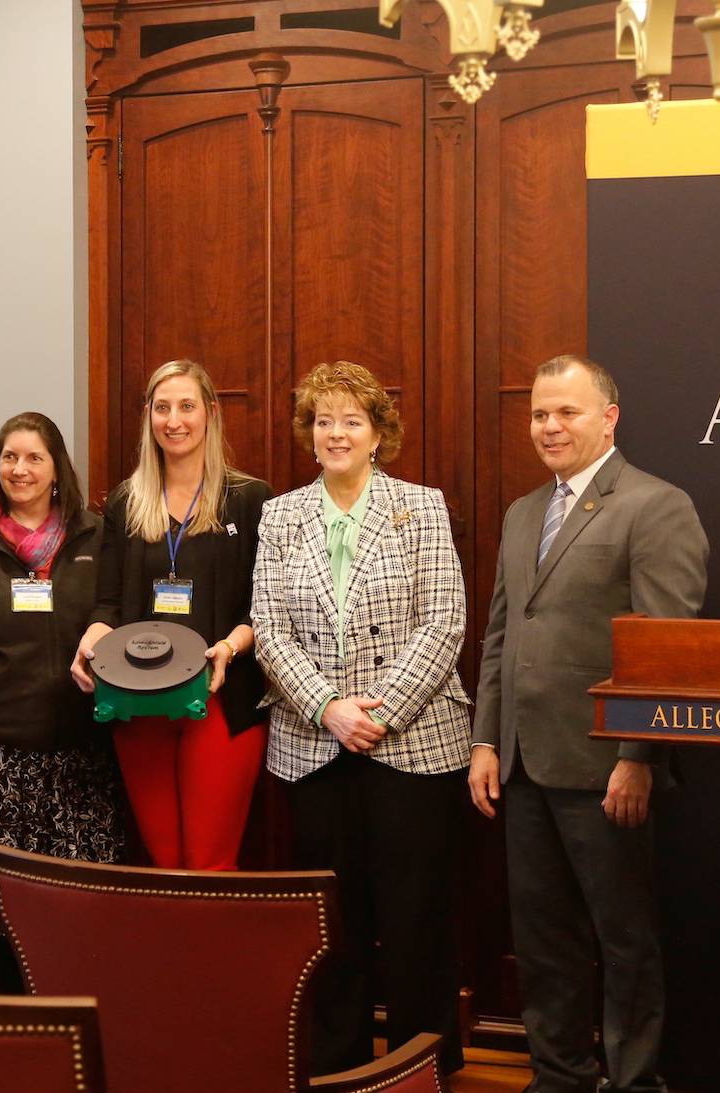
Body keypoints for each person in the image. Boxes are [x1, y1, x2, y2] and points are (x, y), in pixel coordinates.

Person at [470, 354, 709, 1093]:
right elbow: (501, 635)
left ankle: (635, 1081)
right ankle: (559, 1077)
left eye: (566, 412)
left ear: (608, 416)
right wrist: (485, 738)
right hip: (522, 763)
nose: (549, 426)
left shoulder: (655, 504)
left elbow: (663, 650)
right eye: (540, 413)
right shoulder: (521, 513)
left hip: (606, 767)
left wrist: (638, 754)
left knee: (624, 941)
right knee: (543, 943)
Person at [252, 360, 472, 1075]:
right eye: (323, 420)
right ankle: (340, 1067)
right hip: (314, 748)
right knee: (332, 925)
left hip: (411, 746)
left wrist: (377, 714)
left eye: (352, 419)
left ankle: (419, 1066)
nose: (336, 432)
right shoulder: (281, 514)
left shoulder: (422, 506)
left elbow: (443, 623)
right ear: (308, 434)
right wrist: (327, 708)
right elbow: (269, 626)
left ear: (378, 432)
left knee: (416, 922)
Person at [0, 411, 122, 990]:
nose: (21, 469)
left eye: (35, 457)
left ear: (58, 468)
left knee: (67, 913)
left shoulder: (96, 535)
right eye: (10, 457)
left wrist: (103, 628)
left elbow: (113, 605)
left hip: (75, 755)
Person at [70, 359, 271, 871]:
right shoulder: (124, 503)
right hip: (141, 703)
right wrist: (89, 646)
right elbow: (108, 607)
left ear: (210, 413)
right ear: (148, 417)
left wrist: (229, 647)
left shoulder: (250, 500)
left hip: (221, 698)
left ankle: (213, 955)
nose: (174, 420)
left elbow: (266, 610)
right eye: (162, 408)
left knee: (209, 865)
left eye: (186, 406)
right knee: (164, 864)